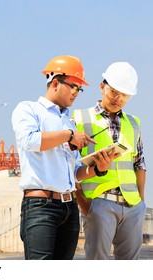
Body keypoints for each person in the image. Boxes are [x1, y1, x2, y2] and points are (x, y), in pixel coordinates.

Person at [11, 55, 118, 260]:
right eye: (73, 87)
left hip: (69, 209)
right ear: (55, 83)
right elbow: (29, 140)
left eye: (80, 89)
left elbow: (75, 172)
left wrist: (98, 168)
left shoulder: (68, 122)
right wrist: (68, 136)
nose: (77, 93)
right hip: (41, 207)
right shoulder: (29, 109)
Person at [73, 62, 147, 260]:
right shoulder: (80, 118)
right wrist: (83, 203)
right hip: (99, 203)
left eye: (124, 94)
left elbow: (139, 163)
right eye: (114, 92)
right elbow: (69, 165)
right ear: (102, 87)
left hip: (132, 206)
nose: (118, 98)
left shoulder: (134, 123)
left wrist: (141, 201)